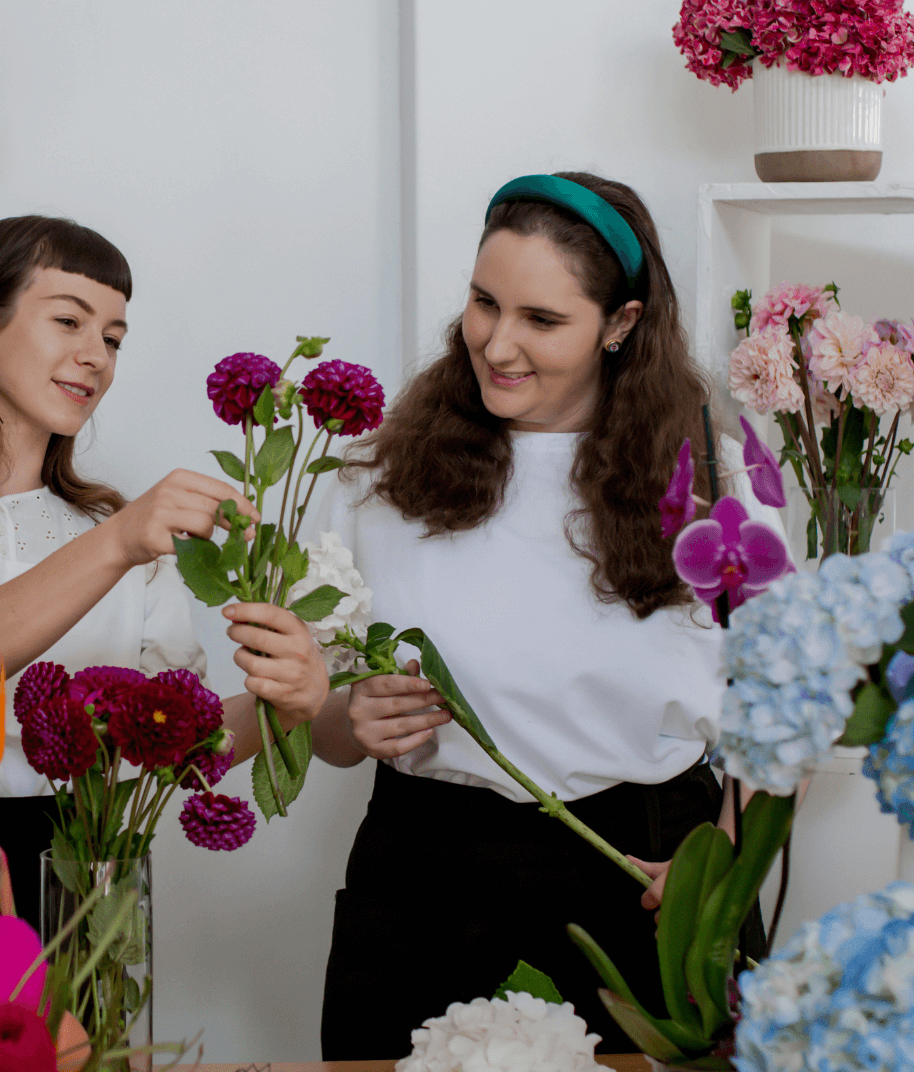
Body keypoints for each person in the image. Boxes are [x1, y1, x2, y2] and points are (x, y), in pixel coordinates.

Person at [0, 215, 328, 974]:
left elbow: (169, 747)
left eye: (113, 337)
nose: (95, 357)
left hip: (78, 885)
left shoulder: (114, 530)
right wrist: (115, 545)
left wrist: (286, 707)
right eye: (69, 321)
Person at [310, 173, 758, 1057]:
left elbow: (792, 703)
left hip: (640, 880)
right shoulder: (375, 481)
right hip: (420, 882)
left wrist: (721, 862)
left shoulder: (716, 482)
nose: (498, 344)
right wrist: (346, 716)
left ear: (622, 325)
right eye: (484, 303)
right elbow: (320, 734)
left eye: (542, 321)